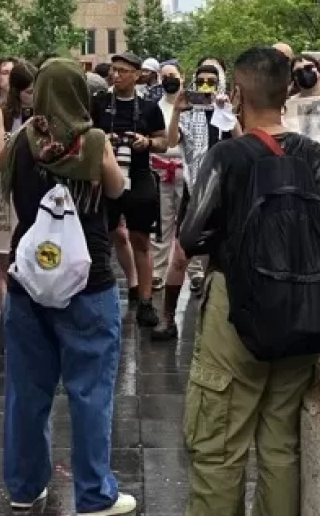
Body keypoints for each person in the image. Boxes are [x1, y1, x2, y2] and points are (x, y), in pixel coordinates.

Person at [178, 47, 320, 516]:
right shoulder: (316, 157)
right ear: (287, 94)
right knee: (282, 449)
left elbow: (191, 234)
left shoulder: (227, 156)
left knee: (219, 446)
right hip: (302, 320)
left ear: (236, 94)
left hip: (234, 316)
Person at [0, 59, 134, 516]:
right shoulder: (93, 140)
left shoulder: (20, 139)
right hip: (87, 280)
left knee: (26, 390)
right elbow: (117, 190)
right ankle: (95, 494)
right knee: (90, 391)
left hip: (28, 279)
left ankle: (24, 485)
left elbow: (1, 174)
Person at [154, 62, 232, 340]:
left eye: (212, 81)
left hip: (225, 193)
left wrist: (227, 114)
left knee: (224, 259)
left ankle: (224, 322)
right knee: (179, 257)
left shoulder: (228, 109)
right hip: (195, 190)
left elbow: (241, 140)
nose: (206, 87)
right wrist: (177, 110)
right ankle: (167, 317)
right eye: (202, 81)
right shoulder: (188, 112)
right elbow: (171, 141)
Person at [97, 51, 168, 327]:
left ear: (137, 75)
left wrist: (146, 142)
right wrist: (104, 139)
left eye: (123, 71)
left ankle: (147, 302)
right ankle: (102, 296)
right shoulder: (100, 102)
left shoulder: (150, 107)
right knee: (103, 237)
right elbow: (87, 133)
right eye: (113, 70)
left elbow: (164, 142)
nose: (116, 75)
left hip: (138, 175)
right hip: (107, 176)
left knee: (141, 239)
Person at [0, 60, 36, 308]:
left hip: (30, 190)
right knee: (4, 261)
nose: (33, 97)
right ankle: (7, 319)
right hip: (2, 192)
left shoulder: (41, 117)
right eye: (28, 92)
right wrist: (24, 134)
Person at [151, 61, 186, 292]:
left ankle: (194, 272)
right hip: (160, 169)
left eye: (172, 75)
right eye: (164, 76)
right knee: (162, 222)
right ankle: (157, 271)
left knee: (189, 221)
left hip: (185, 169)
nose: (169, 80)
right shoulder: (154, 107)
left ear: (182, 76)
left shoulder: (193, 107)